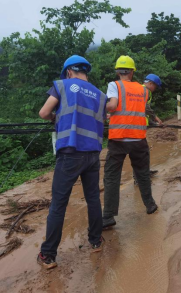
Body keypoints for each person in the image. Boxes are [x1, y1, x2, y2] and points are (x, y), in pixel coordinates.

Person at [37, 55, 107, 269]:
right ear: (85, 72)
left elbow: (44, 112)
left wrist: (55, 118)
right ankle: (96, 241)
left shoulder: (62, 86)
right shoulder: (100, 95)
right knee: (93, 199)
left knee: (58, 205)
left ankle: (48, 255)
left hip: (70, 153)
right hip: (93, 154)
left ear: (68, 72)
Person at [102, 55, 158, 230]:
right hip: (139, 139)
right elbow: (133, 109)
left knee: (112, 177)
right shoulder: (144, 91)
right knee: (142, 173)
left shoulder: (114, 85)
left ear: (118, 72)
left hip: (118, 138)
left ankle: (108, 216)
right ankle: (150, 205)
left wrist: (101, 110)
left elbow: (113, 106)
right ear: (132, 72)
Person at [133, 73, 163, 186]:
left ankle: (143, 173)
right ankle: (139, 178)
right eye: (155, 86)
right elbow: (146, 108)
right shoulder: (145, 91)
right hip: (136, 128)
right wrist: (156, 118)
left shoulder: (138, 89)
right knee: (140, 153)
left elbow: (141, 111)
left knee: (142, 152)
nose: (154, 89)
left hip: (137, 126)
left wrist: (153, 123)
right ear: (150, 83)